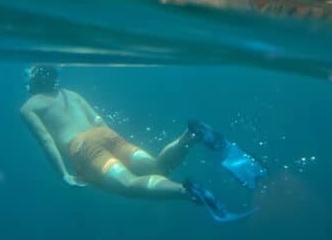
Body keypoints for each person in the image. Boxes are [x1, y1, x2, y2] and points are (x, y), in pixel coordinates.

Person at [20, 68, 264, 219]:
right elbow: (98, 119)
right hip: (106, 135)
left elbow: (46, 140)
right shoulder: (70, 94)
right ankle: (189, 136)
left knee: (129, 185)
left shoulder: (29, 107)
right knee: (158, 167)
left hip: (83, 148)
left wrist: (63, 174)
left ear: (34, 78)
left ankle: (187, 191)